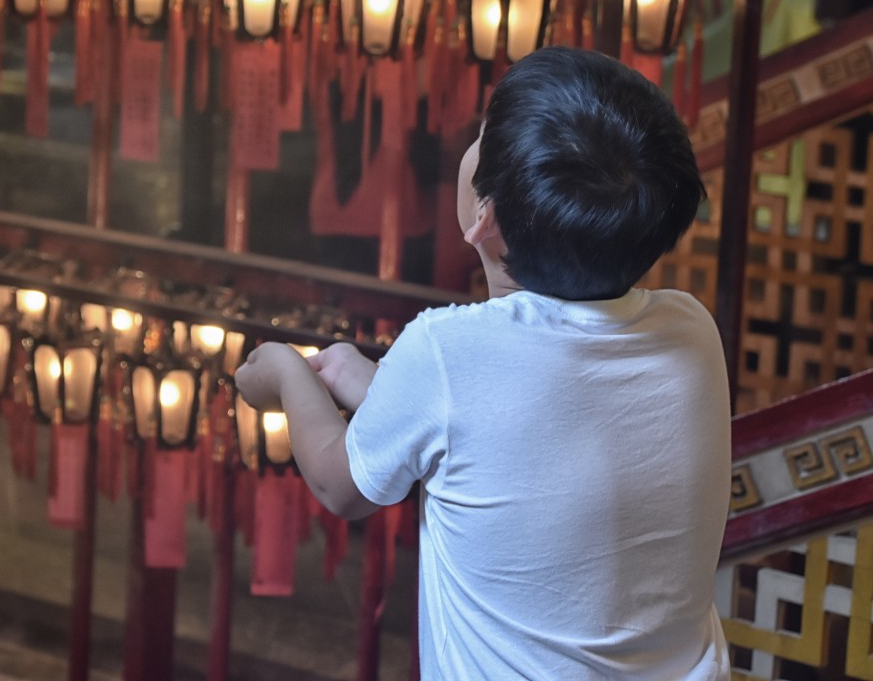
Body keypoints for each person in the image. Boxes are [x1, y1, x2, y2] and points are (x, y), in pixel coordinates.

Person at [234, 47, 731, 680]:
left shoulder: (446, 351)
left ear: (485, 220)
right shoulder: (691, 330)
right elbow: (530, 434)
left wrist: (283, 371)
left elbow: (340, 484)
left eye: (482, 138)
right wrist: (385, 388)